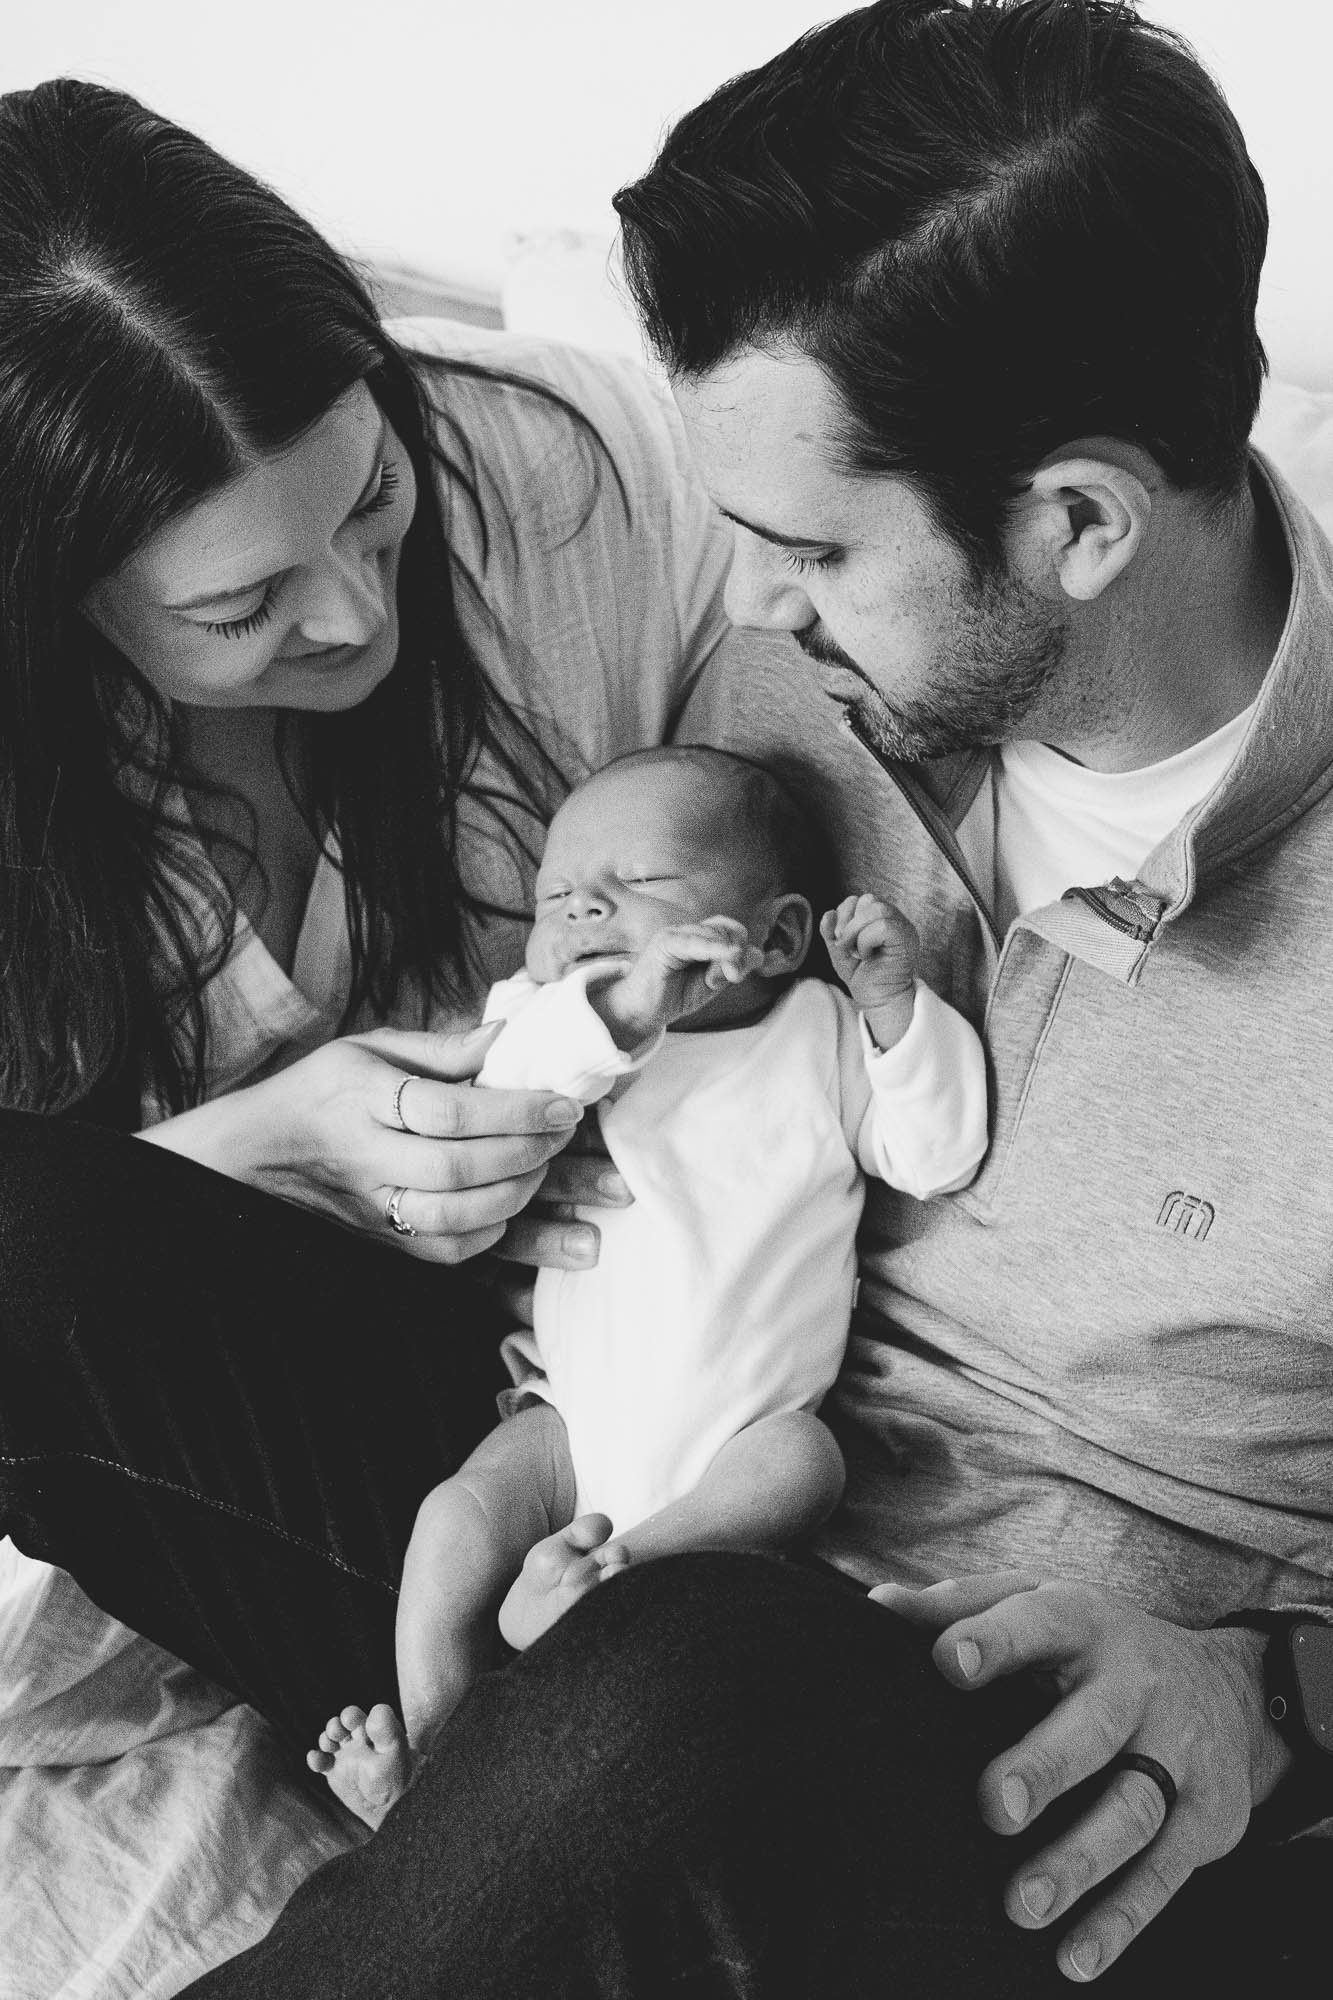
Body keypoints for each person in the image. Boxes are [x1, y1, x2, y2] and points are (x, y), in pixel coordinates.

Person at [3, 3, 1331, 1994]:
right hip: (590, 1493)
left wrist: (1281, 1692)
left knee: (683, 1687)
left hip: (982, 1746)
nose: (751, 604)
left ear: (1075, 523)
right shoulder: (797, 681)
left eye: (806, 548)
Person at [310, 743, 987, 1825]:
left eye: (637, 884)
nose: (582, 905)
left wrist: (897, 1010)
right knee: (451, 1522)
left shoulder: (818, 1038)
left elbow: (935, 1150)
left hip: (737, 1445)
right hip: (567, 1423)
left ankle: (618, 1571)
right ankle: (427, 1774)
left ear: (775, 936)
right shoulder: (561, 1030)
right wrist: (621, 1006)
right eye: (557, 893)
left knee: (802, 1463)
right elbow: (508, 1088)